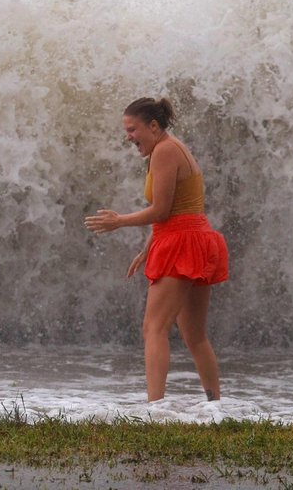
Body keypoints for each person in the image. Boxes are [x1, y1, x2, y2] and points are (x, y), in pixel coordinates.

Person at [85, 97, 229, 402]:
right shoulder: (172, 147)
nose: (129, 137)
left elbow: (162, 210)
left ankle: (155, 408)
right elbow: (178, 211)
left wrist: (119, 221)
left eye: (132, 129)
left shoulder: (164, 151)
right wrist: (148, 247)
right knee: (194, 335)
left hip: (181, 243)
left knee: (154, 328)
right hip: (196, 238)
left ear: (153, 126)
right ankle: (216, 406)